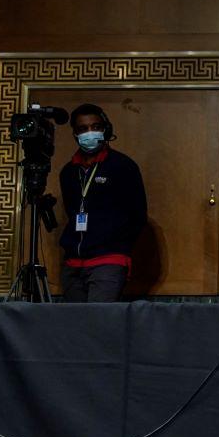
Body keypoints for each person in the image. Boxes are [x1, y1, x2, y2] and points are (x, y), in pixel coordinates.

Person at [57, 103, 146, 302]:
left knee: (99, 324)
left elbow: (138, 215)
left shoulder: (123, 166)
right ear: (75, 134)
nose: (89, 133)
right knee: (75, 326)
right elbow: (72, 211)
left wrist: (116, 244)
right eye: (83, 129)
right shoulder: (68, 172)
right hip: (73, 263)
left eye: (95, 127)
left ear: (106, 129)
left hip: (108, 260)